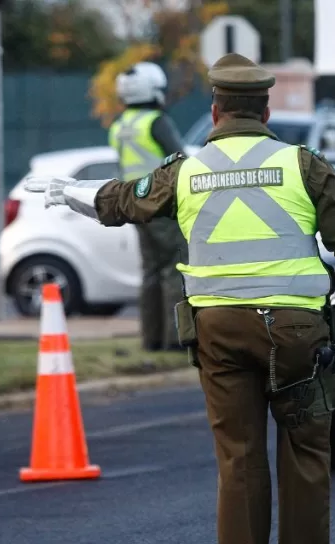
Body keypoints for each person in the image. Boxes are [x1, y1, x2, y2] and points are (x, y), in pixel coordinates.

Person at [23, 53, 335, 544]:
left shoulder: (184, 172)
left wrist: (70, 192)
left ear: (215, 112)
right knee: (305, 458)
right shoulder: (303, 164)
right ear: (266, 112)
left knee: (239, 462)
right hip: (297, 334)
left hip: (220, 334)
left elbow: (121, 202)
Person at [110, 61, 187, 351]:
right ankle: (175, 340)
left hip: (134, 203)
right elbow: (180, 160)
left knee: (150, 271)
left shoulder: (120, 126)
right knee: (174, 268)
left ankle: (151, 340)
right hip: (163, 203)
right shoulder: (156, 122)